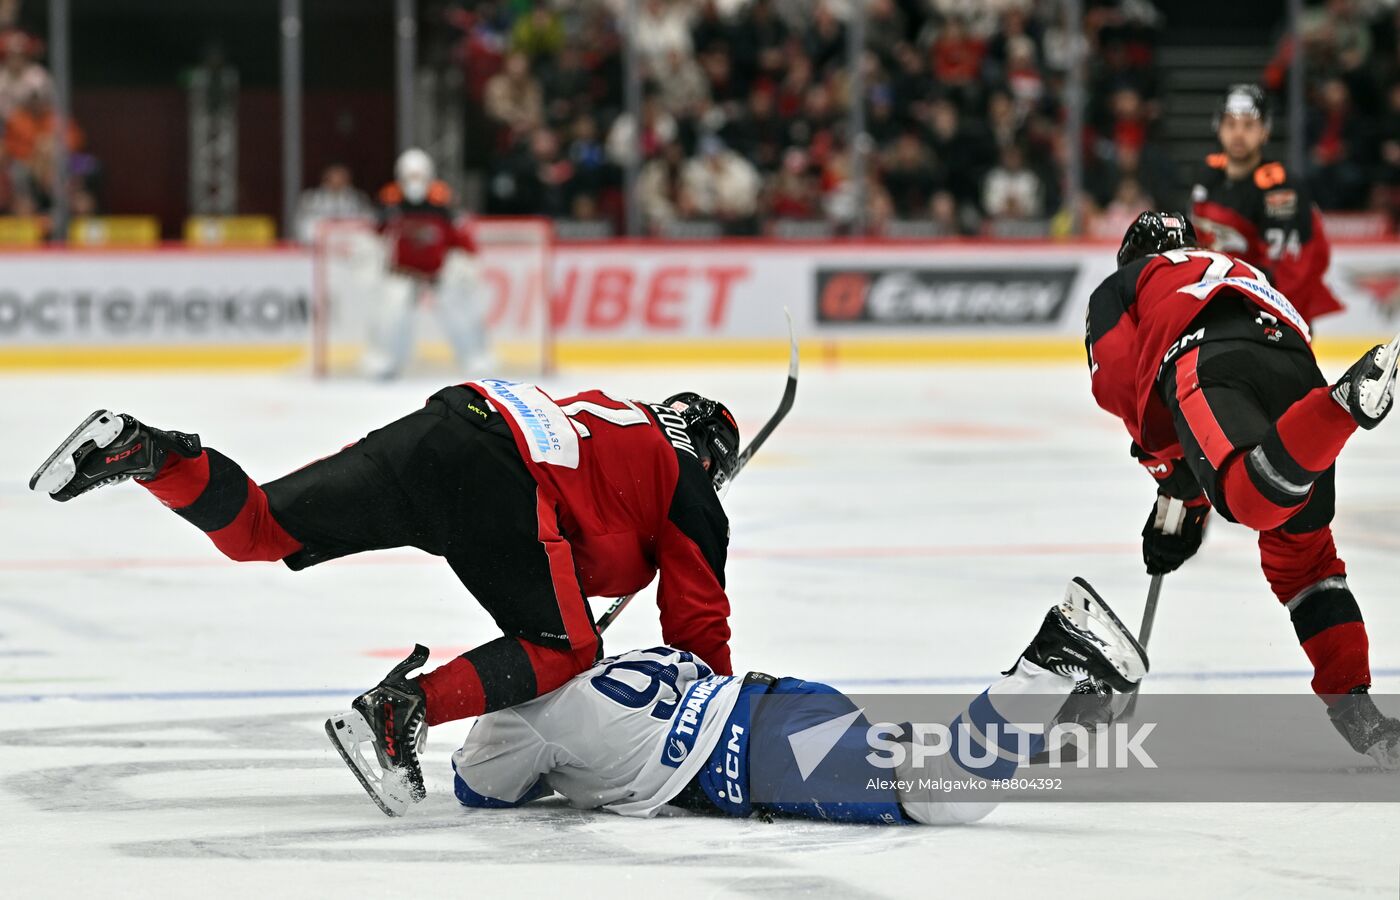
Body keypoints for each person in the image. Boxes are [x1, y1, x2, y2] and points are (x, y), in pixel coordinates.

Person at [30, 383, 743, 810]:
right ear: (713, 454)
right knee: (565, 647)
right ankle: (404, 710)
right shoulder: (689, 483)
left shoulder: (620, 416)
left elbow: (573, 523)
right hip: (498, 475)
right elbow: (697, 623)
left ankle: (150, 454)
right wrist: (706, 714)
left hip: (450, 425)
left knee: (260, 528)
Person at [329, 577, 1147, 819]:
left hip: (754, 753)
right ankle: (1048, 712)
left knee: (943, 799)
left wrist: (538, 754)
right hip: (781, 708)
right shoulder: (622, 655)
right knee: (937, 777)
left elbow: (482, 789)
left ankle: (1051, 662)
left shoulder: (522, 714)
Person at [1085, 210, 1400, 767]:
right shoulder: (1238, 266)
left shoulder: (1122, 284)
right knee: (1304, 561)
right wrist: (1186, 498)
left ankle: (1342, 406)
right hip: (1293, 363)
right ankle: (1359, 714)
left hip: (1206, 356)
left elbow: (1121, 387)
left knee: (1247, 498)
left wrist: (1175, 494)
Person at [1191, 84, 1342, 325]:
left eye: (1249, 125)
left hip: (1272, 312)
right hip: (1219, 306)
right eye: (1231, 124)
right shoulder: (1206, 175)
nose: (1238, 134)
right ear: (1218, 128)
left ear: (1265, 131)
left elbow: (1288, 272)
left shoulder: (1281, 189)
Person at [368, 148, 485, 379]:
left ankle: (473, 358)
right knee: (393, 317)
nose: (414, 182)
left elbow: (458, 234)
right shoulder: (390, 199)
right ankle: (388, 360)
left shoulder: (442, 199)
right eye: (410, 176)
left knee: (458, 315)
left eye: (419, 176)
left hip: (437, 273)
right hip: (403, 272)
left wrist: (467, 259)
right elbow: (377, 233)